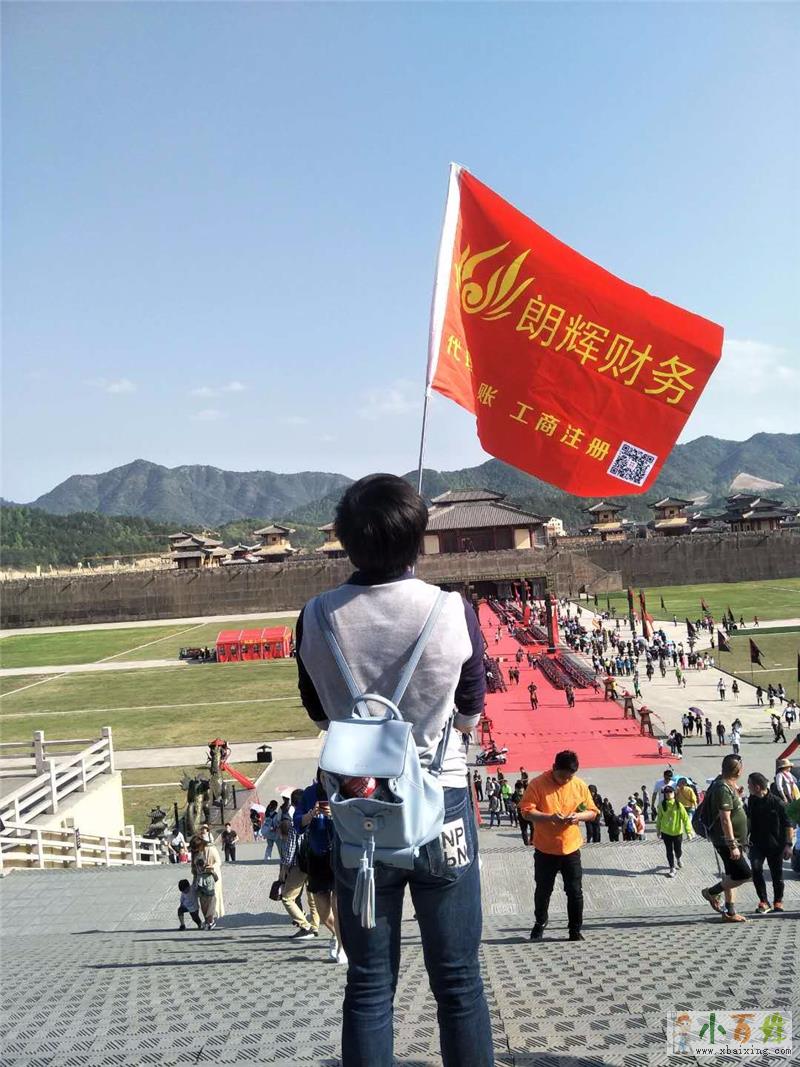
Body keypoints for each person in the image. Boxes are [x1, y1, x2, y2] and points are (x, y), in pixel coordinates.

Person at [294, 474, 493, 1066]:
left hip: (359, 812)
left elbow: (318, 713)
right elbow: (470, 714)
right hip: (441, 806)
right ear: (418, 536)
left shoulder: (315, 616)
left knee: (369, 986)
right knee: (458, 981)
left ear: (344, 537)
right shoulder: (452, 610)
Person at [519, 750, 599, 943]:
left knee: (575, 891)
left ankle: (575, 929)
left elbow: (593, 812)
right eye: (562, 776)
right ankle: (540, 922)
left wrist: (578, 816)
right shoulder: (538, 784)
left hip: (570, 848)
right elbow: (526, 811)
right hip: (545, 849)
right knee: (543, 890)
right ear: (554, 767)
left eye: (569, 777)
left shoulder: (578, 785)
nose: (565, 781)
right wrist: (549, 818)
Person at [700, 754, 752, 923]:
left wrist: (737, 794)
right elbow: (725, 819)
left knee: (730, 876)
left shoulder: (725, 785)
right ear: (738, 770)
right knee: (744, 874)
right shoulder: (722, 788)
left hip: (732, 840)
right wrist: (732, 845)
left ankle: (729, 912)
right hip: (727, 841)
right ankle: (711, 892)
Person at [747, 771, 793, 914]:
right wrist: (744, 840)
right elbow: (749, 820)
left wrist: (788, 845)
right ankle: (764, 901)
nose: (748, 787)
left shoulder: (778, 802)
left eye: (749, 785)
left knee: (776, 874)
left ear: (757, 787)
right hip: (756, 843)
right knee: (756, 869)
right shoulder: (752, 800)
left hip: (776, 845)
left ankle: (778, 901)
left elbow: (788, 824)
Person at [278, 800, 320, 940]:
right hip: (315, 864)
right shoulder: (317, 821)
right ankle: (315, 926)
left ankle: (305, 926)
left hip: (300, 865)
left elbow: (290, 850)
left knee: (287, 897)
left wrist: (284, 868)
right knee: (313, 898)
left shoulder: (295, 823)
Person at [655, 785, 693, 876]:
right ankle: (672, 868)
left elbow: (685, 819)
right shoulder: (662, 805)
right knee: (669, 850)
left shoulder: (679, 805)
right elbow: (659, 818)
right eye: (666, 793)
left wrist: (689, 832)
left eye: (670, 792)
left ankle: (678, 858)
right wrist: (658, 830)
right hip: (666, 832)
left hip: (677, 832)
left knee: (678, 850)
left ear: (674, 793)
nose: (668, 794)